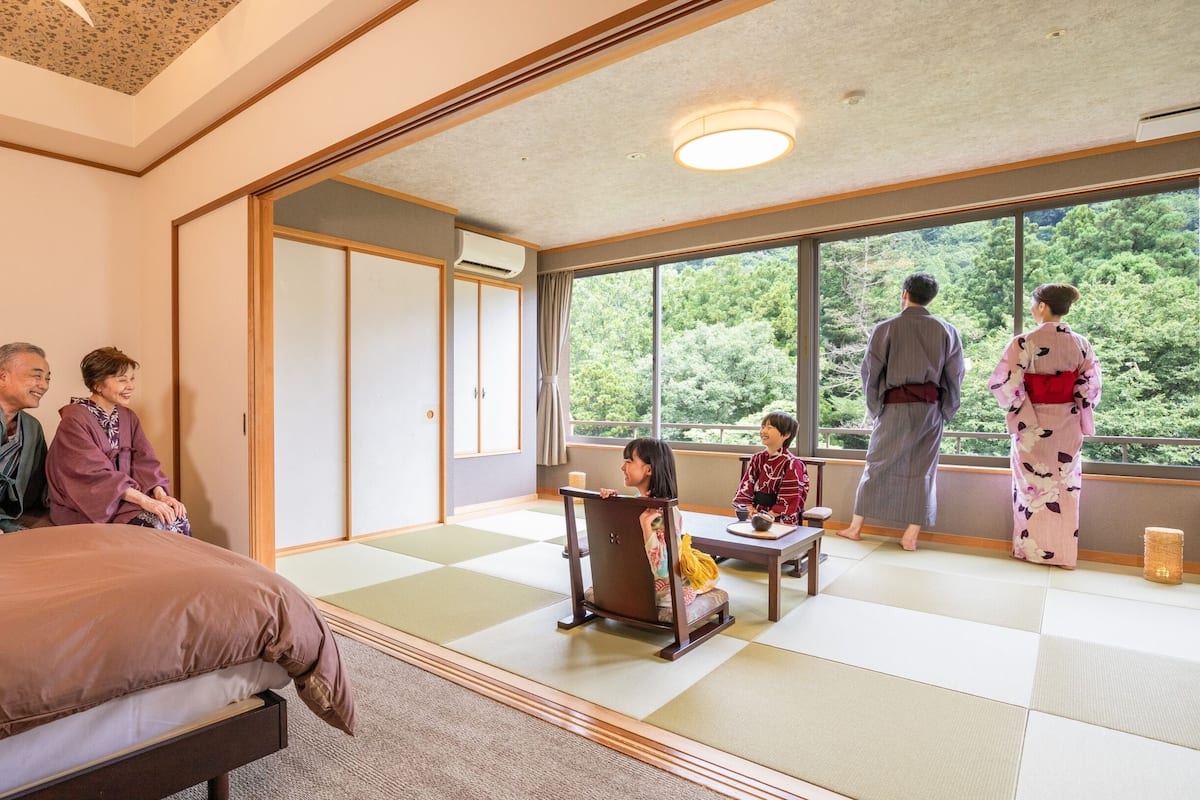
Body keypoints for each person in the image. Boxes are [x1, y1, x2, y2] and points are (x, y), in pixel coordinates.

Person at [837, 272, 964, 550]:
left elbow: (870, 373)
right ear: (931, 297)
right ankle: (911, 535)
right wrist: (946, 410)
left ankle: (856, 527)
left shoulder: (886, 328)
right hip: (930, 410)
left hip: (893, 406)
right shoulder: (947, 330)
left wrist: (875, 410)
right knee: (923, 469)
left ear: (905, 293)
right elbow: (955, 376)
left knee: (877, 463)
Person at [989, 284, 1101, 569]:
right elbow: (1090, 387)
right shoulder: (1081, 343)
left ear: (1041, 306)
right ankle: (1063, 555)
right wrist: (1072, 406)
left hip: (1033, 427)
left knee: (1031, 489)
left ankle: (1029, 550)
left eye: (1032, 302)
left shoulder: (1024, 342)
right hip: (1067, 425)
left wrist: (1024, 411)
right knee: (1064, 488)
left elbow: (1004, 384)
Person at [46, 347, 191, 535]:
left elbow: (145, 461)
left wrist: (160, 495)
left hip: (125, 496)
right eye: (122, 380)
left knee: (177, 519)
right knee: (155, 524)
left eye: (132, 379)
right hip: (89, 501)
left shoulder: (127, 417)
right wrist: (145, 501)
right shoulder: (74, 419)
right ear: (98, 385)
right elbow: (90, 474)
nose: (130, 386)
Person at [600, 437, 717, 607]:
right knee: (707, 574)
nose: (622, 467)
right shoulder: (642, 506)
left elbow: (662, 570)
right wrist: (612, 504)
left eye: (628, 461)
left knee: (704, 569)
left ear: (648, 469)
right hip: (654, 593)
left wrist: (645, 525)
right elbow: (661, 569)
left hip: (637, 590)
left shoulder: (661, 513)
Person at [0, 342, 51, 533]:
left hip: (7, 517)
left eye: (47, 379)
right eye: (37, 376)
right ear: (2, 376)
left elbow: (38, 483)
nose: (44, 385)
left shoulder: (31, 427)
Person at [732, 411, 809, 525]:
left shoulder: (792, 463)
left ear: (786, 434)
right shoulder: (757, 458)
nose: (763, 431)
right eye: (763, 427)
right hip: (754, 514)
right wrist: (749, 508)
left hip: (780, 519)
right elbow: (746, 486)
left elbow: (791, 498)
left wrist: (768, 515)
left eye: (770, 427)